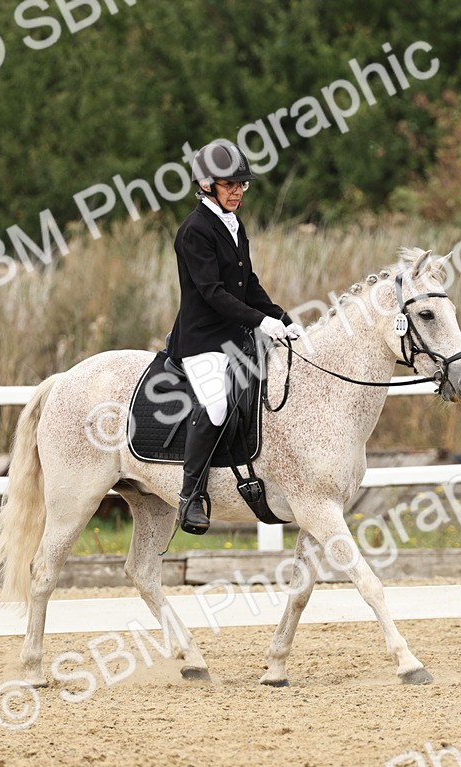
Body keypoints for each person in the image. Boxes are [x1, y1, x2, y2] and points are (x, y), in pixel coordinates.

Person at [167, 138, 304, 534]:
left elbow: (247, 283)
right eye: (229, 185)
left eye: (241, 185)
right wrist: (261, 322)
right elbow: (213, 292)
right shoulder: (194, 230)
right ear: (207, 185)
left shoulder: (233, 223)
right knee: (217, 407)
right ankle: (190, 497)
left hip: (236, 336)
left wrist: (279, 315)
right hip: (203, 340)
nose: (237, 192)